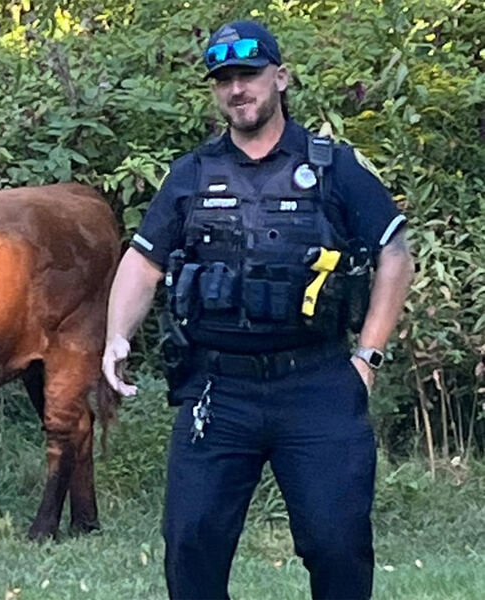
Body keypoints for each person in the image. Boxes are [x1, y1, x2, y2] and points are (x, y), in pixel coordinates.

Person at [101, 20, 415, 600]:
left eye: (248, 75)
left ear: (280, 77)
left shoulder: (332, 166)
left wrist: (367, 355)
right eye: (223, 80)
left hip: (317, 382)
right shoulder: (191, 174)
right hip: (217, 389)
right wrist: (116, 336)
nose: (237, 89)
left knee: (337, 543)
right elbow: (143, 262)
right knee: (191, 544)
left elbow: (395, 254)